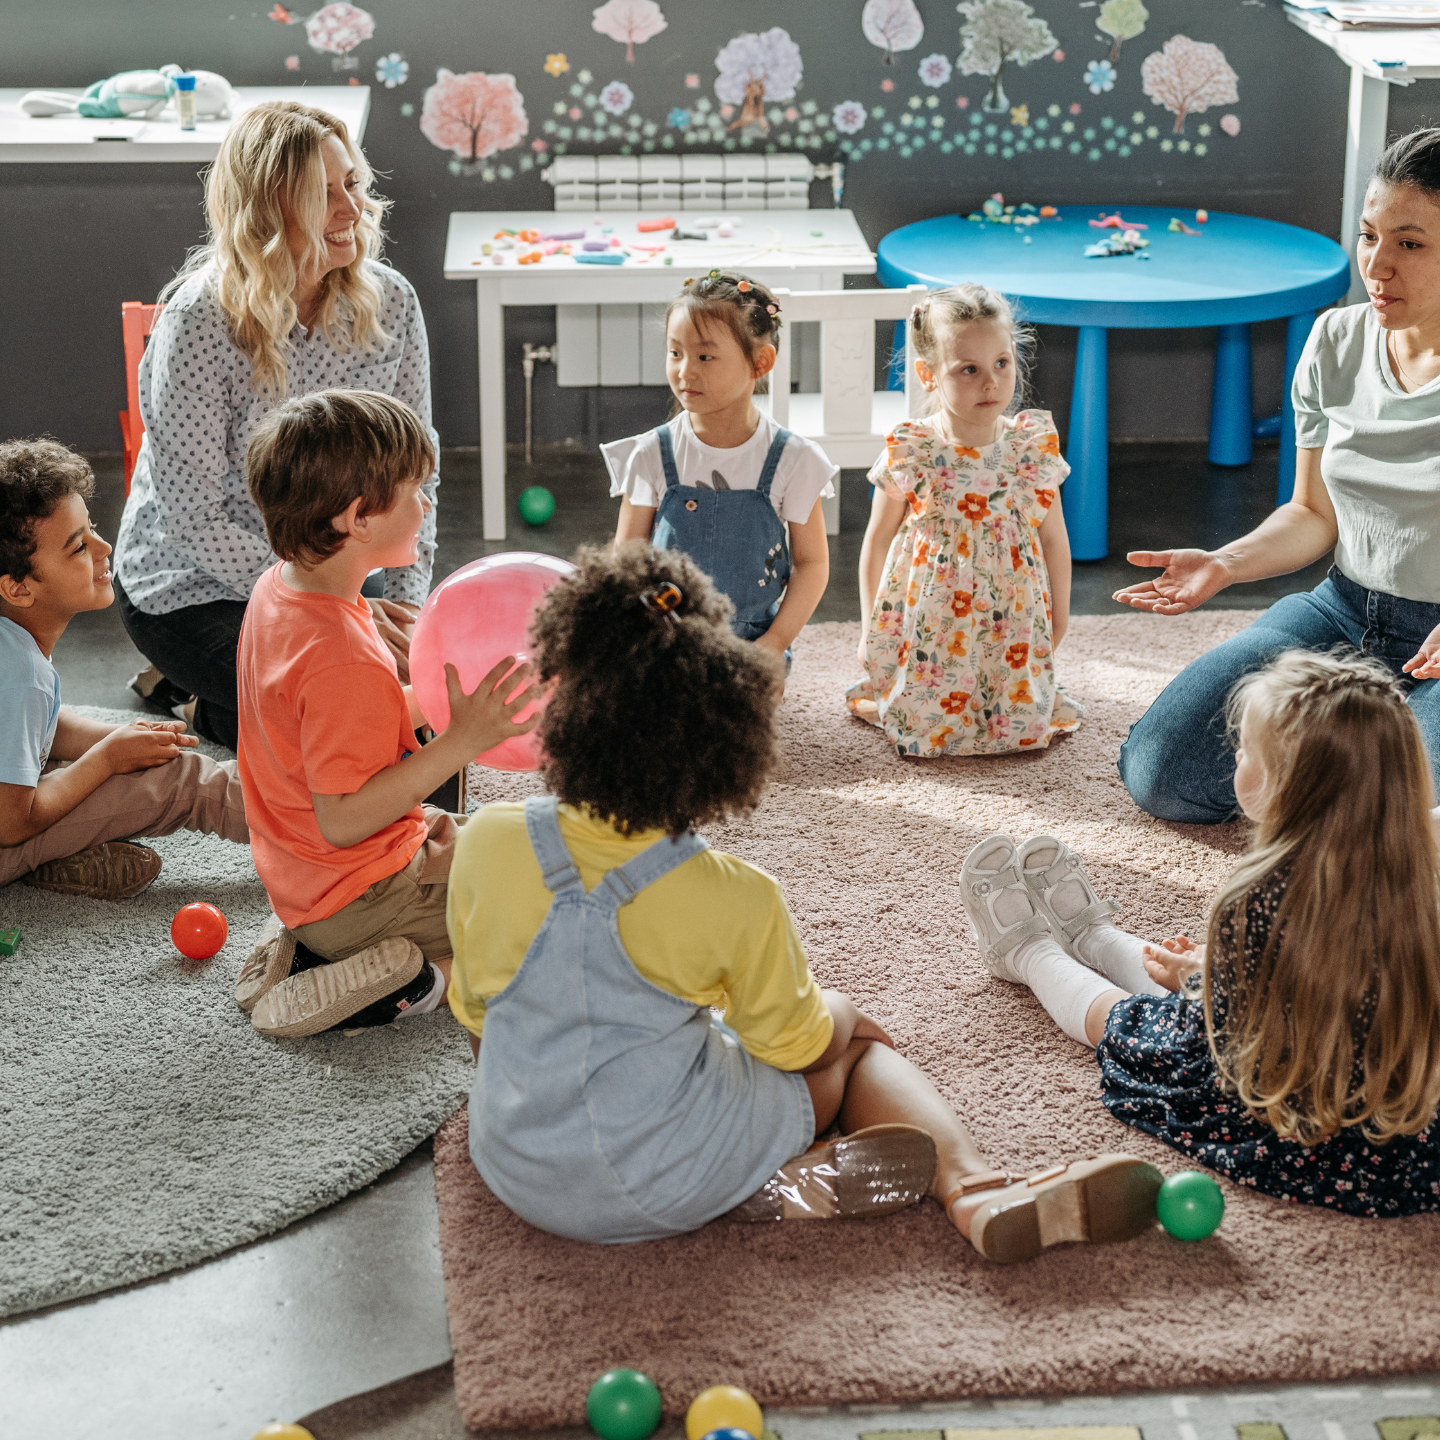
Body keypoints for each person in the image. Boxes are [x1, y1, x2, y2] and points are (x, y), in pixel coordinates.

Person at [446, 542, 1163, 1261]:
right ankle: (976, 1191)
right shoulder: (735, 896)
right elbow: (796, 1045)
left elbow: (480, 1015)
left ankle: (758, 1178)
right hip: (665, 1175)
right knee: (851, 1054)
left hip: (516, 1166)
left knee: (663, 1042)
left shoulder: (486, 840)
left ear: (559, 703)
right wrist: (847, 1015)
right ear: (723, 748)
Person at [959, 650, 1440, 1217]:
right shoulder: (1422, 878)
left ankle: (1030, 953)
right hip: (1396, 1125)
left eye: (1246, 751)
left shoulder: (1258, 897)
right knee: (1186, 986)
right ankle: (1093, 937)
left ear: (1284, 786)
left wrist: (1200, 973)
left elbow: (1233, 1015)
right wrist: (1215, 970)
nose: (1236, 753)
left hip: (1295, 1109)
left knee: (1134, 1021)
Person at [1115, 127, 1440, 822]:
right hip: (1349, 609)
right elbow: (1313, 513)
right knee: (1163, 772)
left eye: (1410, 244)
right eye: (1369, 235)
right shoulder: (1336, 341)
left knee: (1407, 828)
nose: (1377, 267)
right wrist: (1225, 564)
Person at [113, 99, 438, 750]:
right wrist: (334, 607)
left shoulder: (392, 302)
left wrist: (406, 610)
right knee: (350, 708)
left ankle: (221, 704)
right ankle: (206, 705)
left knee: (412, 696)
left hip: (336, 569)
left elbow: (414, 478)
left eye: (352, 183)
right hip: (194, 587)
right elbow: (194, 520)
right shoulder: (200, 321)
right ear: (266, 212)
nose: (353, 209)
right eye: (323, 194)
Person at [233, 391, 536, 1039]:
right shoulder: (341, 653)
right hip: (360, 889)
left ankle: (307, 946)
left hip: (307, 874)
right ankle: (409, 982)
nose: (426, 506)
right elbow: (343, 820)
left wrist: (432, 703)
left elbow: (329, 731)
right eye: (414, 491)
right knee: (549, 925)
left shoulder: (279, 589)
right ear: (357, 519)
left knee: (511, 839)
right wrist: (461, 742)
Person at [0, 438, 248, 899]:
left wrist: (116, 739)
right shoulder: (20, 676)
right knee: (180, 782)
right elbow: (14, 821)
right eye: (78, 547)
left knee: (73, 760)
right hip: (6, 833)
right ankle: (332, 828)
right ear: (17, 589)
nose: (104, 545)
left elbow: (41, 727)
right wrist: (109, 757)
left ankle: (64, 853)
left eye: (91, 528)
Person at [846, 285, 1076, 758]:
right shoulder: (914, 449)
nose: (990, 383)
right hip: (934, 618)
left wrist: (1060, 617)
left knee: (1012, 710)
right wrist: (871, 625)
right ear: (928, 374)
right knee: (926, 714)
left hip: (1010, 616)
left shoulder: (1029, 448)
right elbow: (877, 539)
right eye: (968, 369)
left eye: (1001, 364)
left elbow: (1054, 539)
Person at [605, 270, 833, 671]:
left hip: (752, 645)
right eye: (675, 353)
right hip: (664, 639)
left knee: (735, 717)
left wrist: (775, 642)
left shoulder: (793, 459)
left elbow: (811, 563)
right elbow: (627, 556)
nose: (685, 371)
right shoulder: (652, 453)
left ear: (759, 362)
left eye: (705, 356)